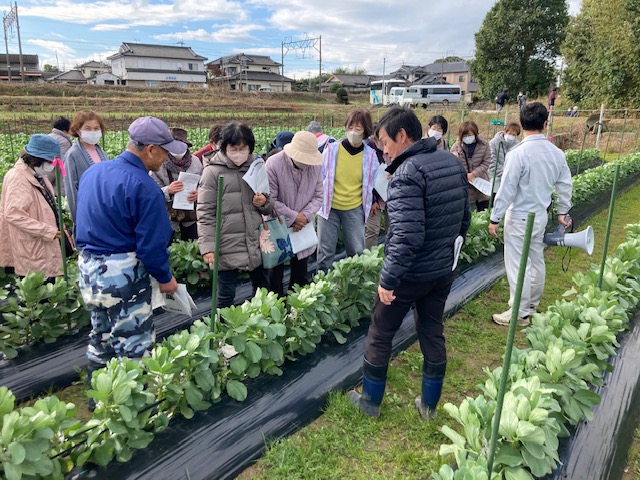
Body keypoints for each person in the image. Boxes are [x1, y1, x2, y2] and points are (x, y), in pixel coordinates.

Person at [348, 106, 470, 419]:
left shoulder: (406, 174)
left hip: (409, 274)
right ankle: (428, 406)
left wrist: (388, 281)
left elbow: (406, 237)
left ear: (403, 136)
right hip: (442, 269)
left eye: (385, 142)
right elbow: (464, 219)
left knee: (380, 332)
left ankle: (370, 403)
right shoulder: (451, 162)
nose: (383, 150)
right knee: (431, 329)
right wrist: (448, 254)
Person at [75, 116, 182, 379]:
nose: (166, 159)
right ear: (150, 150)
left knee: (101, 335)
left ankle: (97, 397)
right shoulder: (146, 188)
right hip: (122, 273)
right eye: (165, 152)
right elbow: (151, 247)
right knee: (134, 343)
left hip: (89, 269)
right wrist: (166, 279)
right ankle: (134, 410)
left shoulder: (94, 172)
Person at [489, 102, 572, 327]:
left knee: (517, 265)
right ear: (545, 124)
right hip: (539, 216)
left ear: (522, 124)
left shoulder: (518, 153)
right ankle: (532, 305)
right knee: (535, 261)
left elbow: (506, 189)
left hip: (519, 217)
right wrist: (563, 211)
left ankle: (519, 312)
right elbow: (565, 184)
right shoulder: (556, 153)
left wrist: (494, 217)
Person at [197, 122, 274, 308]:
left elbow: (269, 204)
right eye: (233, 148)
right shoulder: (212, 172)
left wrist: (263, 203)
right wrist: (207, 247)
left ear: (250, 148)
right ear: (224, 147)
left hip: (254, 240)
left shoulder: (256, 167)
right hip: (225, 243)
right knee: (225, 295)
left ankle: (263, 330)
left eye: (243, 148)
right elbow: (205, 212)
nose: (238, 153)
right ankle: (223, 335)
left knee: (262, 290)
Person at [317, 108, 379, 271]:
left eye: (358, 129)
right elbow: (320, 176)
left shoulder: (370, 156)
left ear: (365, 131)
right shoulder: (331, 150)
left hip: (354, 209)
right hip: (329, 209)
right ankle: (324, 286)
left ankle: (354, 287)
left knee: (356, 251)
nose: (353, 132)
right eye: (350, 127)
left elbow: (373, 183)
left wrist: (374, 201)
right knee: (325, 252)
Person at [0, 134, 66, 280]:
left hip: (42, 241)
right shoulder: (18, 178)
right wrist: (47, 230)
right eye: (49, 161)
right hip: (32, 244)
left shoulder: (36, 174)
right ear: (36, 159)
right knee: (37, 290)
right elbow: (13, 214)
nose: (52, 165)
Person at [266, 131, 323, 296]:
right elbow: (270, 199)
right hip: (277, 224)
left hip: (303, 226)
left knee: (300, 271)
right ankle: (276, 305)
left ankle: (296, 309)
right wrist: (293, 217)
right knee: (275, 272)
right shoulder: (273, 164)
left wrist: (304, 216)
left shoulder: (315, 167)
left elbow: (319, 196)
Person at [150, 127, 202, 241]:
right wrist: (168, 190)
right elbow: (151, 192)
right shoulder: (158, 164)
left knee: (191, 244)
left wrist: (199, 193)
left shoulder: (196, 162)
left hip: (190, 215)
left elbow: (204, 185)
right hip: (166, 215)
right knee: (166, 244)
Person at [63, 110, 109, 226]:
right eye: (88, 129)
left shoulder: (101, 152)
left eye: (96, 128)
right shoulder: (72, 155)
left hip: (105, 212)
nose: (93, 132)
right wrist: (79, 220)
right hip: (88, 215)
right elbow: (71, 190)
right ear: (78, 130)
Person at [451, 121, 492, 211]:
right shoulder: (456, 147)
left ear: (475, 133)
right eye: (464, 136)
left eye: (469, 135)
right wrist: (454, 157)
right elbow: (452, 166)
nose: (467, 138)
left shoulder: (484, 145)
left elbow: (487, 162)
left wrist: (474, 174)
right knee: (469, 213)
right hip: (465, 186)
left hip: (481, 183)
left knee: (483, 212)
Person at [364, 128, 391, 249]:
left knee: (392, 228)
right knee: (372, 230)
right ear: (374, 139)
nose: (384, 144)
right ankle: (369, 259)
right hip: (373, 197)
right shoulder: (367, 151)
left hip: (389, 195)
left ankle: (390, 255)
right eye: (381, 141)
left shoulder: (390, 147)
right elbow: (365, 179)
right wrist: (372, 200)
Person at [488, 121, 522, 195]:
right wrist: (505, 173)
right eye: (509, 133)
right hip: (495, 179)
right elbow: (491, 162)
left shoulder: (518, 146)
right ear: (504, 132)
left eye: (514, 135)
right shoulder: (493, 143)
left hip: (511, 182)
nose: (511, 136)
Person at [47, 116, 73, 196]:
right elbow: (61, 164)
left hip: (45, 177)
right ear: (66, 130)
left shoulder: (48, 137)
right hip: (58, 182)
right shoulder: (64, 142)